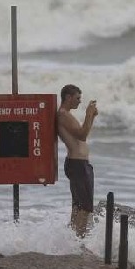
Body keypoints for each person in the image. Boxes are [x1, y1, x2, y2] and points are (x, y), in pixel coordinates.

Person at [57, 84, 98, 238]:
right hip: (77, 164)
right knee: (85, 207)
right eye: (77, 98)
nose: (80, 102)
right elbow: (82, 135)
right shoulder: (63, 114)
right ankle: (78, 240)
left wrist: (91, 117)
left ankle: (73, 238)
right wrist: (89, 114)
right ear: (68, 97)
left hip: (79, 164)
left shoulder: (66, 114)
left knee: (79, 205)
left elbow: (81, 134)